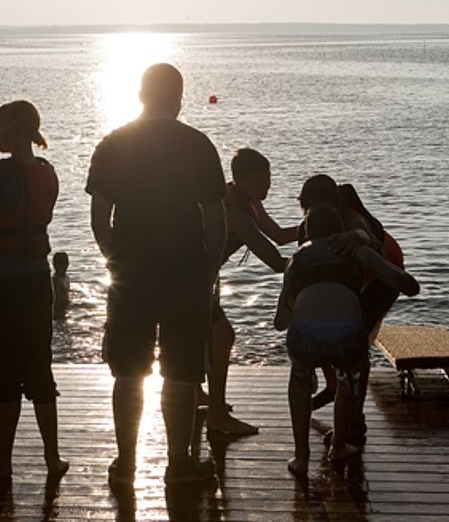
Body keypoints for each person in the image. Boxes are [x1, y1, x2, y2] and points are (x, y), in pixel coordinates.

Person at [86, 63, 227, 487]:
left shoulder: (114, 142)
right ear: (179, 97)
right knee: (182, 371)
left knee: (128, 369)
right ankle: (178, 461)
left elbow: (98, 218)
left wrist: (115, 259)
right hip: (186, 273)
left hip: (131, 273)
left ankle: (125, 460)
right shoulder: (198, 145)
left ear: (141, 94)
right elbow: (216, 219)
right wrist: (210, 268)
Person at [0, 100, 69, 480]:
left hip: (2, 283)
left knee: (4, 371)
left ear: (20, 131)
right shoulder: (49, 171)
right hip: (38, 280)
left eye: (1, 128)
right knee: (39, 366)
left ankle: (3, 461)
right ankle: (52, 459)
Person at [274, 204, 419, 474]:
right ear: (340, 231)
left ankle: (301, 456)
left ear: (306, 233)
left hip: (306, 339)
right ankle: (338, 447)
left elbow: (280, 322)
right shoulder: (358, 253)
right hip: (347, 338)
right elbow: (409, 286)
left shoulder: (296, 260)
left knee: (300, 377)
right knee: (347, 377)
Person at [298, 174, 404, 442]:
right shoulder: (313, 224)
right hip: (359, 278)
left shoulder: (350, 216)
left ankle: (355, 420)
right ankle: (335, 386)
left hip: (383, 277)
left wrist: (357, 237)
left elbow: (373, 242)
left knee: (356, 347)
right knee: (324, 323)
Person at [202, 148, 299, 435]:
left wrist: (318, 229)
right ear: (240, 180)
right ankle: (217, 416)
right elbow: (276, 262)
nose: (268, 185)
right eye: (261, 180)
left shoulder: (251, 201)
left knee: (205, 334)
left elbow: (280, 236)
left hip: (208, 276)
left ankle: (199, 394)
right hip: (190, 274)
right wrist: (315, 259)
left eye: (269, 178)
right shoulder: (235, 214)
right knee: (222, 334)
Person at [52, 252, 70, 320]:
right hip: (59, 311)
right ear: (54, 265)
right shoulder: (56, 280)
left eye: (65, 263)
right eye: (60, 263)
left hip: (64, 308)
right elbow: (56, 301)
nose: (64, 266)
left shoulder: (67, 278)